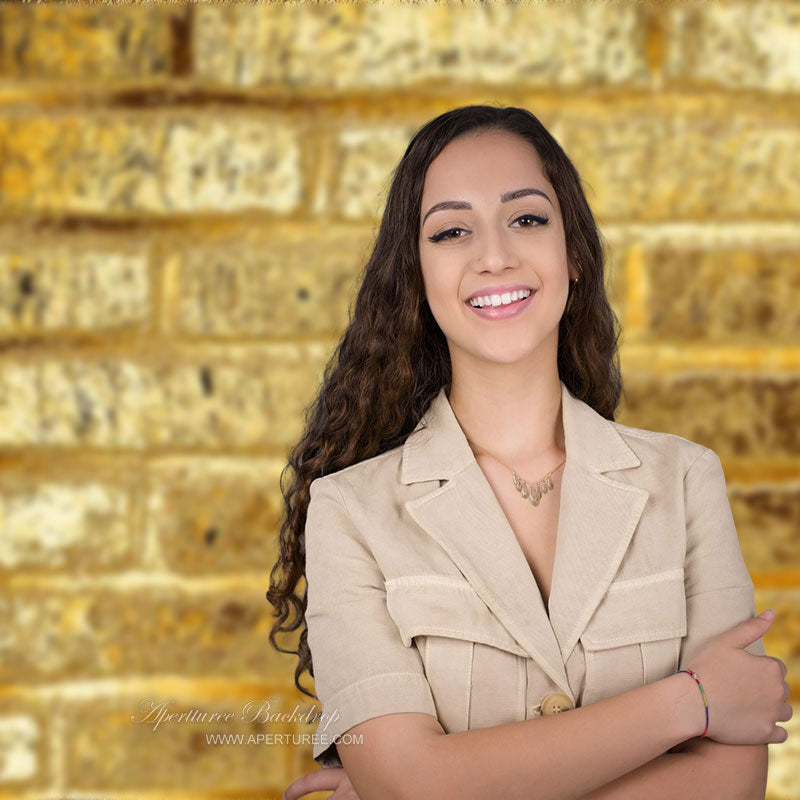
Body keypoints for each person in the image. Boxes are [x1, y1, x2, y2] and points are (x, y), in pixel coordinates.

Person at [268, 105, 791, 800]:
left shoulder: (687, 481)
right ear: (416, 276)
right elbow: (411, 785)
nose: (494, 256)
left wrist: (438, 784)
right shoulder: (348, 512)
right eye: (452, 231)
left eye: (527, 219)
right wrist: (690, 702)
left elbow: (730, 786)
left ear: (572, 251)